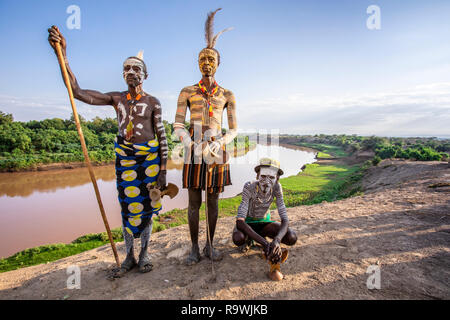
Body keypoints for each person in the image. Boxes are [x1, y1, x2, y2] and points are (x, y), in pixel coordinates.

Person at [48, 26, 168, 275]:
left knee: (147, 207)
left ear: (146, 74)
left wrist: (163, 171)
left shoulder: (153, 102)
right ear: (122, 74)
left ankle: (144, 254)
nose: (131, 72)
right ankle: (129, 257)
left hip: (150, 161)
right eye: (126, 68)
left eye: (136, 68)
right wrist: (64, 56)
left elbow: (162, 137)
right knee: (127, 206)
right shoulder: (116, 98)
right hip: (125, 159)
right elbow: (78, 92)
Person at [173, 9, 237, 265]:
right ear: (197, 63)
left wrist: (220, 141)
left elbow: (233, 128)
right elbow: (178, 123)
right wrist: (190, 144)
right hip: (193, 147)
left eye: (211, 58)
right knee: (193, 200)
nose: (206, 62)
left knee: (213, 200)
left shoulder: (227, 94)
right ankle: (193, 248)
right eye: (202, 58)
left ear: (218, 63)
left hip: (217, 148)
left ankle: (210, 246)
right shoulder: (187, 91)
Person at [232, 158, 297, 264]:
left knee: (291, 237)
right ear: (257, 176)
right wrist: (266, 244)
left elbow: (285, 218)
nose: (267, 182)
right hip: (247, 225)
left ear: (277, 178)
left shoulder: (277, 187)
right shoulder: (249, 186)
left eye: (271, 177)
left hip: (264, 225)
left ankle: (260, 238)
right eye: (263, 176)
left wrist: (277, 240)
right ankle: (250, 239)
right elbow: (240, 221)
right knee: (238, 238)